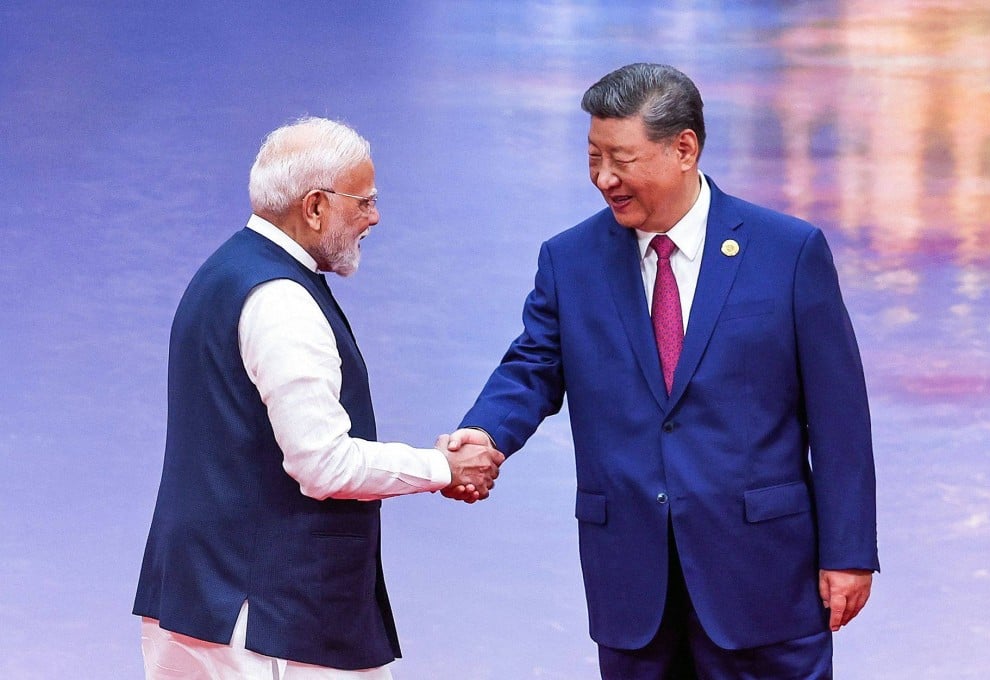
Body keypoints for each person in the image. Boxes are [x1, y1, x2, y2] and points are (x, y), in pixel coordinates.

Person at [445, 63, 878, 679]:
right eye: (593, 157)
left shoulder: (787, 251)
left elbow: (839, 418)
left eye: (621, 159)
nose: (604, 178)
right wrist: (486, 434)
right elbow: (533, 365)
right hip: (632, 585)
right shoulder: (571, 259)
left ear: (684, 148)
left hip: (763, 579)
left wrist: (848, 551)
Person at [132, 116, 503, 679]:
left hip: (201, 602)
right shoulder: (283, 300)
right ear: (315, 207)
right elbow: (322, 463)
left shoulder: (226, 272)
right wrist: (442, 468)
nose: (374, 217)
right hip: (268, 624)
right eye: (365, 202)